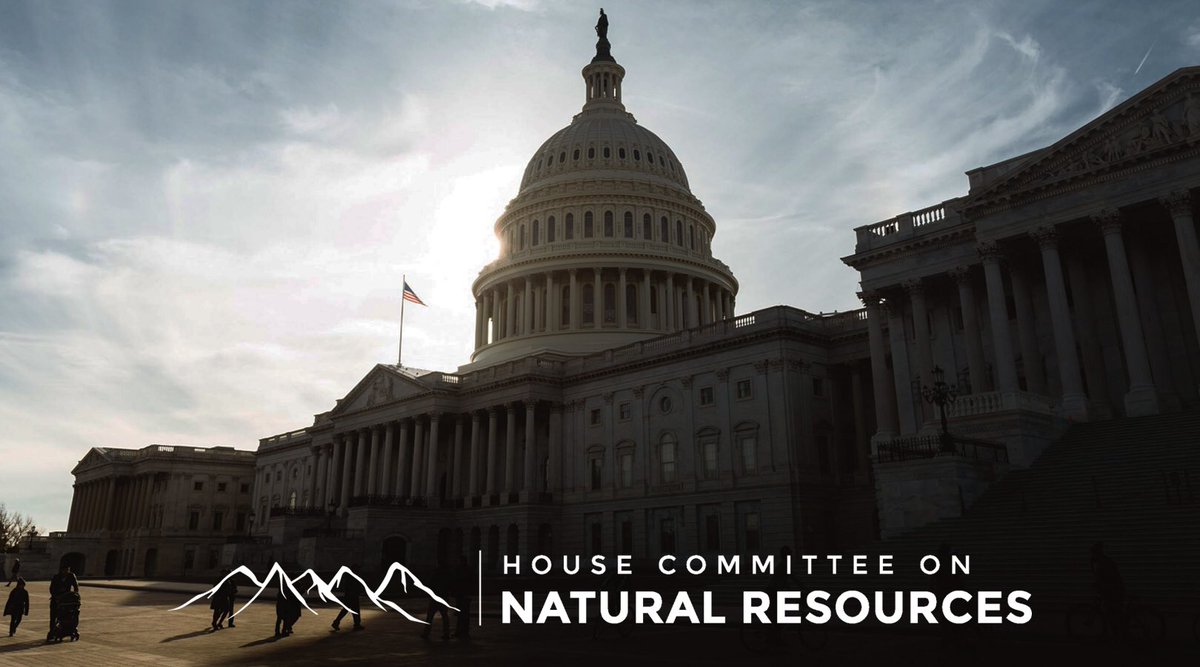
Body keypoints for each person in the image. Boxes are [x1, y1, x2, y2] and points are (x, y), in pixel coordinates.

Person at [1090, 542, 1126, 634]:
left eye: (1093, 552)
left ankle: (1118, 632)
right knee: (1112, 611)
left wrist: (1097, 585)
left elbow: (1104, 577)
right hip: (1113, 588)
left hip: (1113, 590)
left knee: (1110, 610)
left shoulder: (1102, 562)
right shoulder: (1103, 561)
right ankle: (1117, 631)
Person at [47, 564, 79, 642]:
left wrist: (74, 595)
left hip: (66, 599)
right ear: (61, 570)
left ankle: (67, 630)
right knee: (53, 617)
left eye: (68, 570)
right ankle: (52, 632)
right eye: (65, 570)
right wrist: (56, 597)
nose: (66, 572)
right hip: (56, 599)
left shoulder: (71, 576)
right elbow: (52, 588)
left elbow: (76, 586)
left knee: (67, 615)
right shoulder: (56, 577)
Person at [420, 564, 451, 641]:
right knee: (444, 616)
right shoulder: (446, 575)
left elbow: (430, 584)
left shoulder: (435, 575)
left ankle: (426, 632)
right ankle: (446, 633)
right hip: (443, 597)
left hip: (435, 598)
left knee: (430, 616)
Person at [452, 555, 472, 640]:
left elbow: (455, 581)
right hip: (465, 594)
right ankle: (464, 631)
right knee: (465, 614)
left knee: (461, 614)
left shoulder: (459, 570)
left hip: (461, 594)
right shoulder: (469, 570)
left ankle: (459, 631)